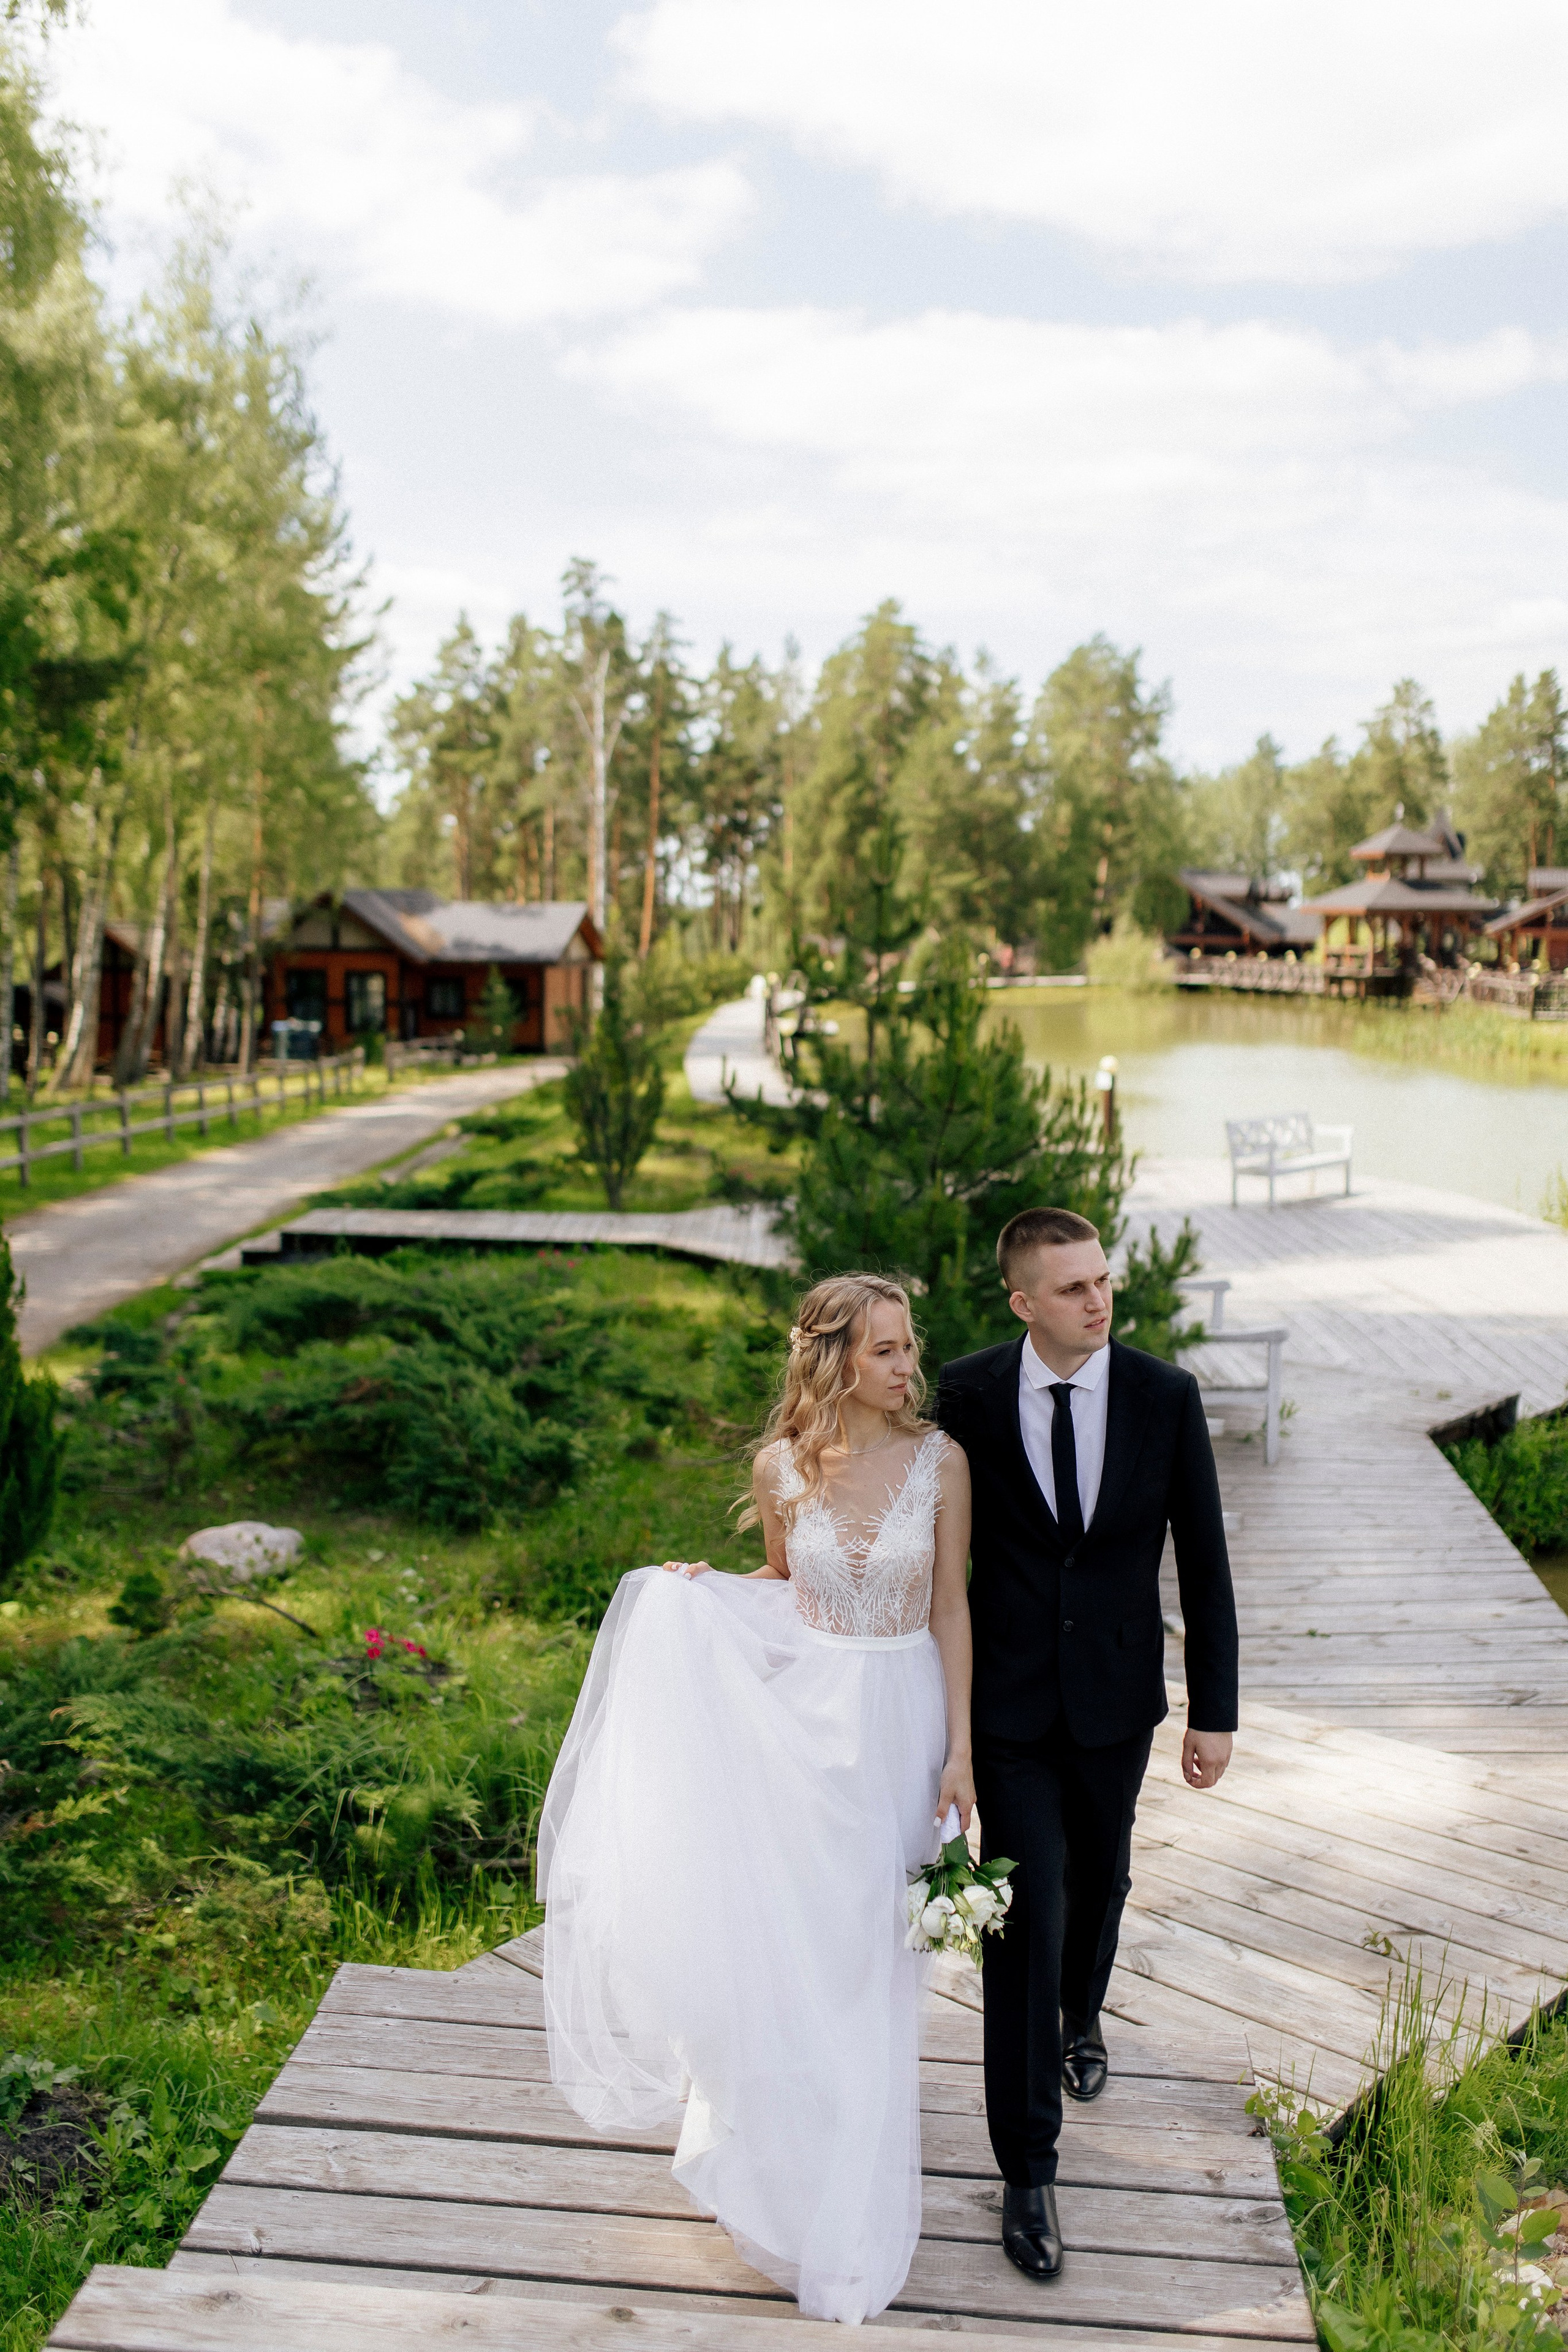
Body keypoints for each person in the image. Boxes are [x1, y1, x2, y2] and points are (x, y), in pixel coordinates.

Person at [537, 1273, 974, 2326]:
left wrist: (961, 1753)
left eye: (909, 1347)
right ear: (835, 1359)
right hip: (805, 1725)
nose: (908, 1367)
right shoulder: (780, 1464)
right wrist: (706, 1595)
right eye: (884, 1351)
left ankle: (855, 2204)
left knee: (878, 1956)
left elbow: (952, 1605)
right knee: (802, 1947)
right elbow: (785, 1585)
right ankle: (786, 2164)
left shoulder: (941, 1462)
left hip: (903, 1718)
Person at [934, 1206, 1238, 2284]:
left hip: (1118, 1707)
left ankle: (1085, 2015)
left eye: (1103, 1281)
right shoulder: (964, 1394)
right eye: (1071, 1289)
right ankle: (1028, 2170)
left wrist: (1216, 1709)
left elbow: (1202, 1562)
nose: (1098, 1300)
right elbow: (902, 1518)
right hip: (1007, 1712)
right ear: (1023, 1301)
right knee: (1025, 1913)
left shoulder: (1165, 1396)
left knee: (1101, 1884)